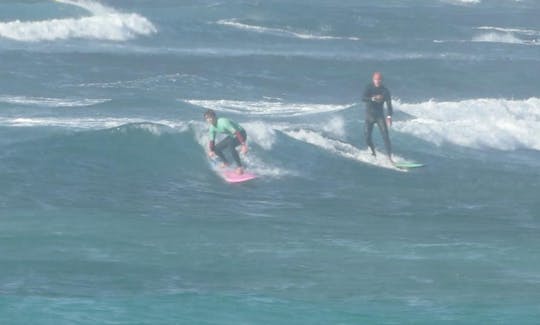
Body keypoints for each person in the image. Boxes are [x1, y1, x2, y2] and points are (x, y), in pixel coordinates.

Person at [204, 109, 248, 174]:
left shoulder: (223, 122)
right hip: (232, 136)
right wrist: (211, 151)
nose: (209, 120)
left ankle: (240, 167)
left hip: (241, 134)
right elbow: (212, 141)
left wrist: (243, 145)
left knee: (231, 145)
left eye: (210, 117)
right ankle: (226, 163)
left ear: (214, 117)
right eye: (207, 118)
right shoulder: (212, 128)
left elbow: (236, 132)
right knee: (216, 148)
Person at [362, 71, 393, 162]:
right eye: (376, 79)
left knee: (385, 136)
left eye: (379, 79)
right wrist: (372, 98)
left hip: (379, 116)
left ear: (381, 80)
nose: (377, 81)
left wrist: (389, 117)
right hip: (369, 116)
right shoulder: (369, 87)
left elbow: (389, 104)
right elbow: (363, 98)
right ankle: (373, 152)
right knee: (367, 136)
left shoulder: (385, 90)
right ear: (373, 79)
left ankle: (390, 158)